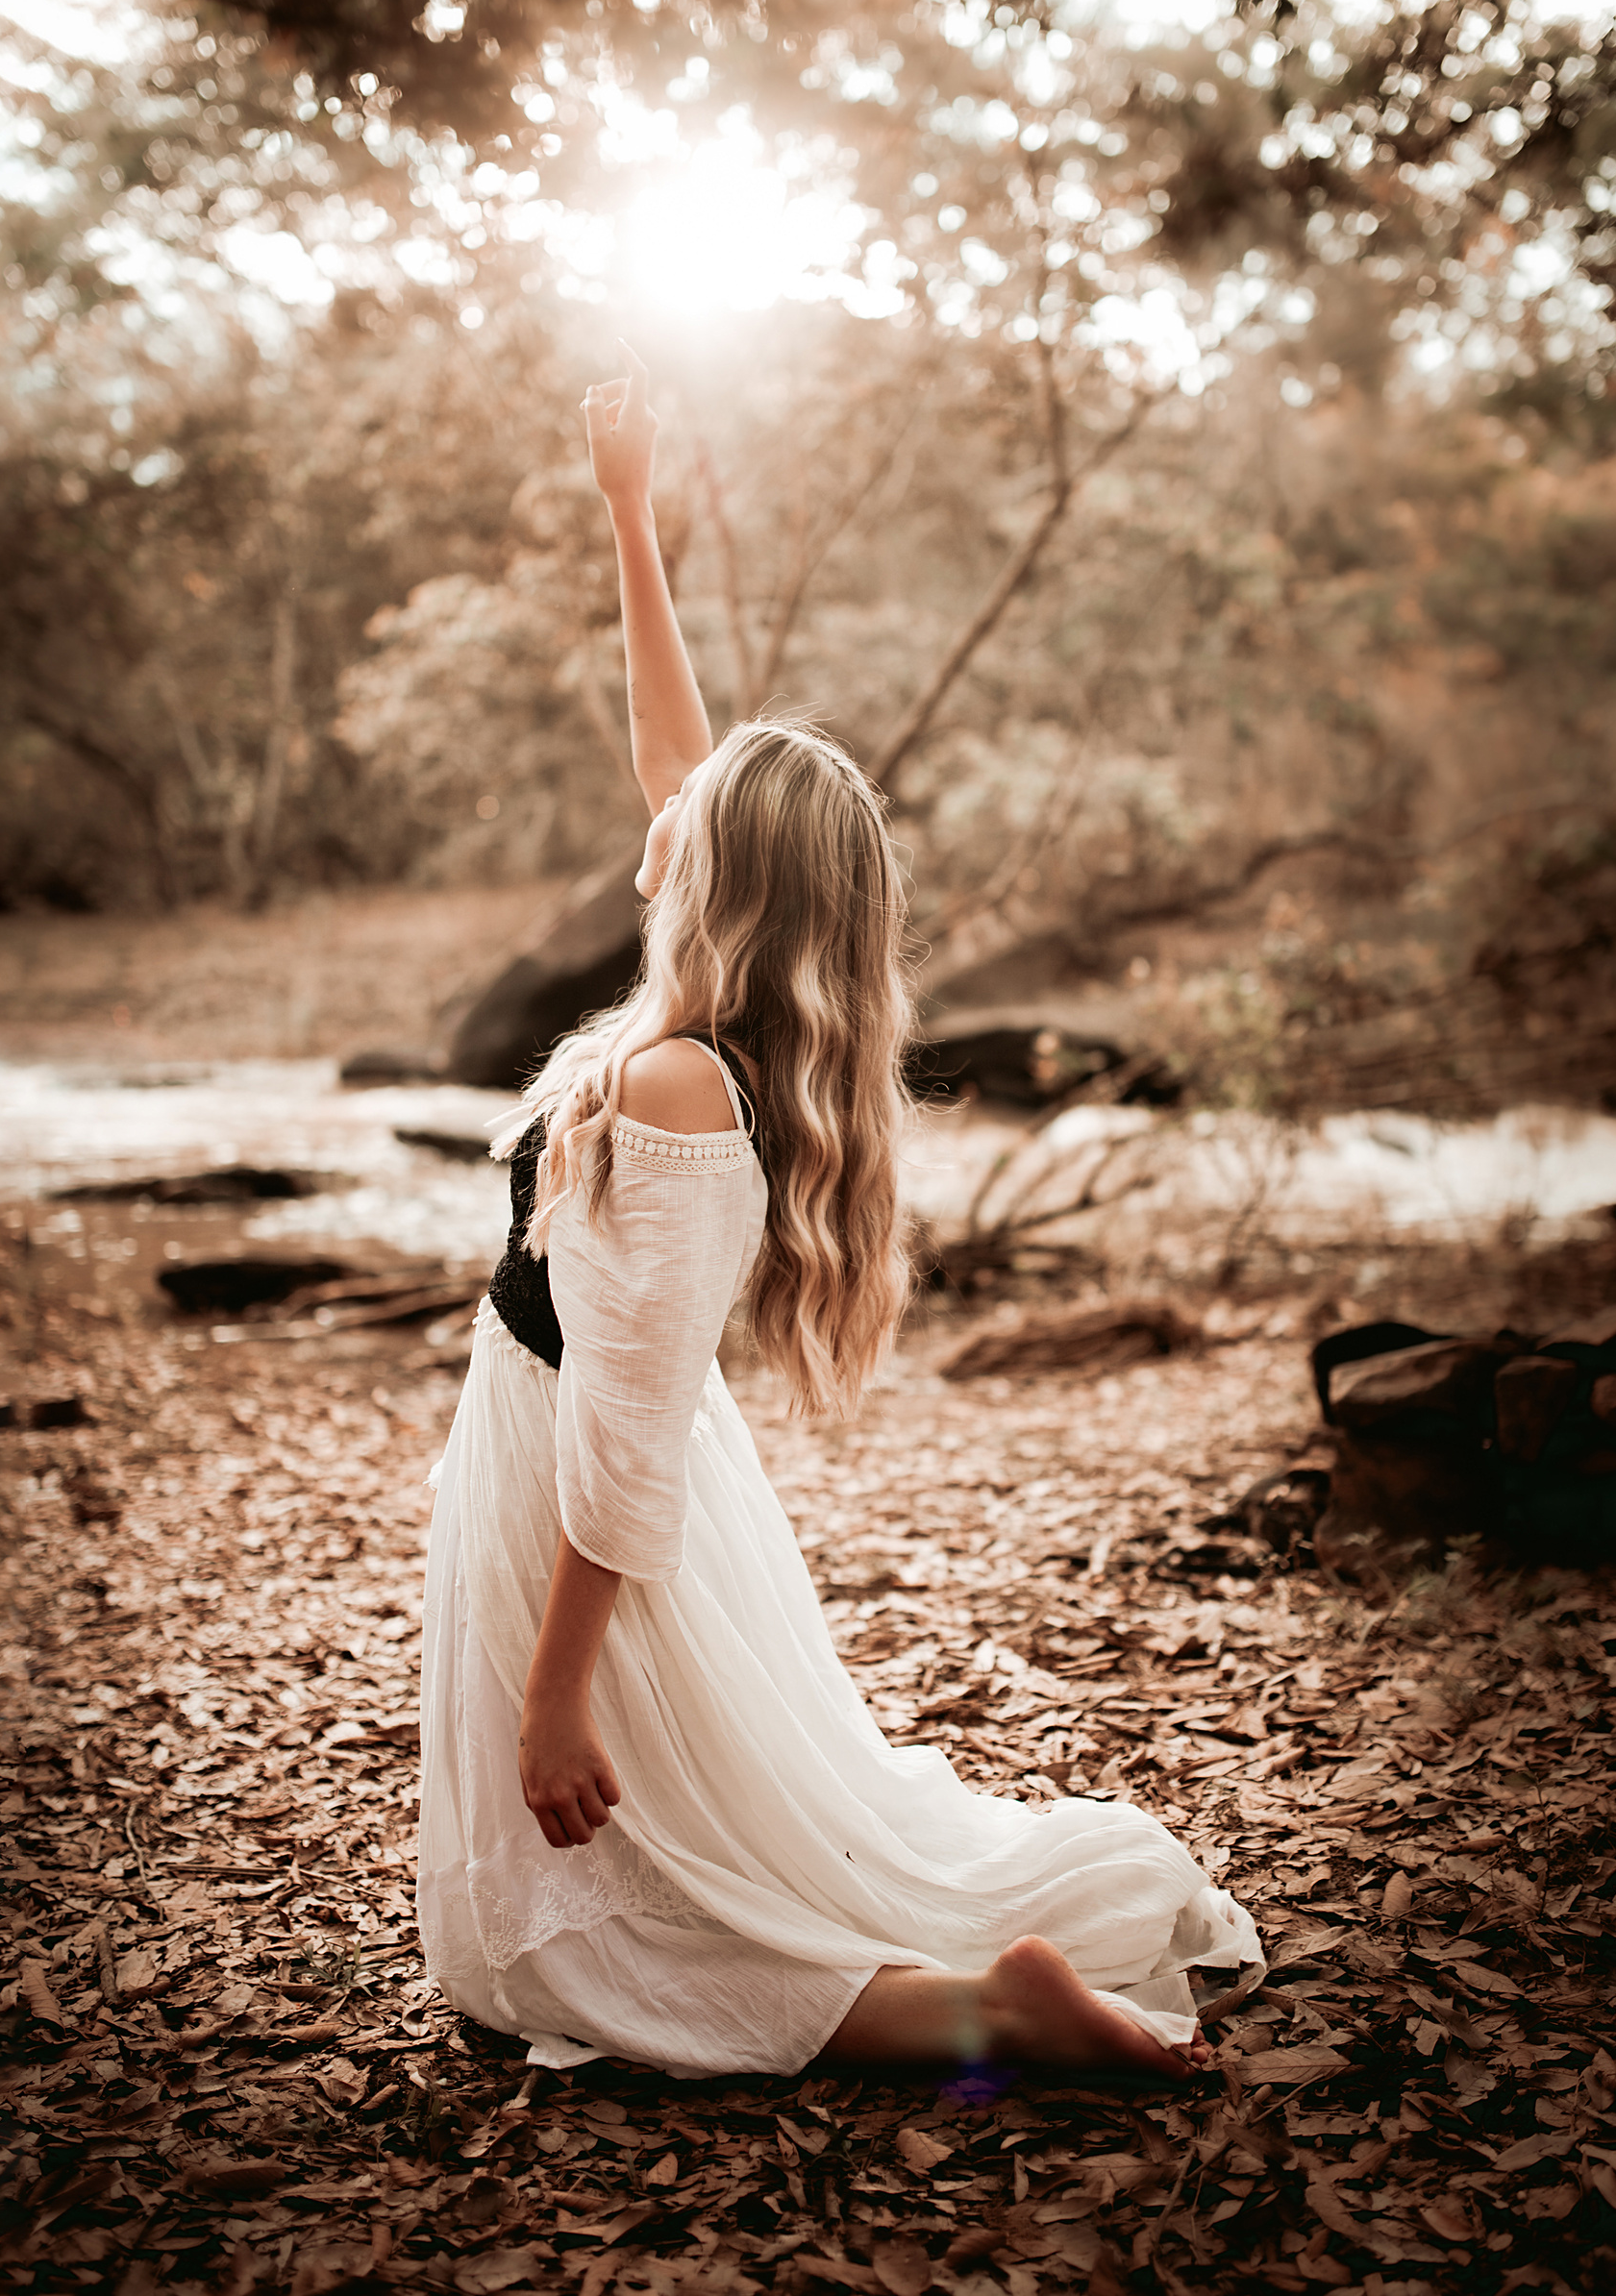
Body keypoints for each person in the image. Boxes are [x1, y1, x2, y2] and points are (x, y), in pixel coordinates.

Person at [415, 344, 1262, 2082]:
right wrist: (630, 518)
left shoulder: (668, 1092)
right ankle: (943, 1979)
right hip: (586, 1470)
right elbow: (679, 757)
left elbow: (627, 1432)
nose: (668, 821)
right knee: (621, 1884)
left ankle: (985, 2015)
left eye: (692, 824)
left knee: (590, 1958)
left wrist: (558, 1687)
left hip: (591, 1502)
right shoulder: (711, 1043)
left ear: (713, 876)